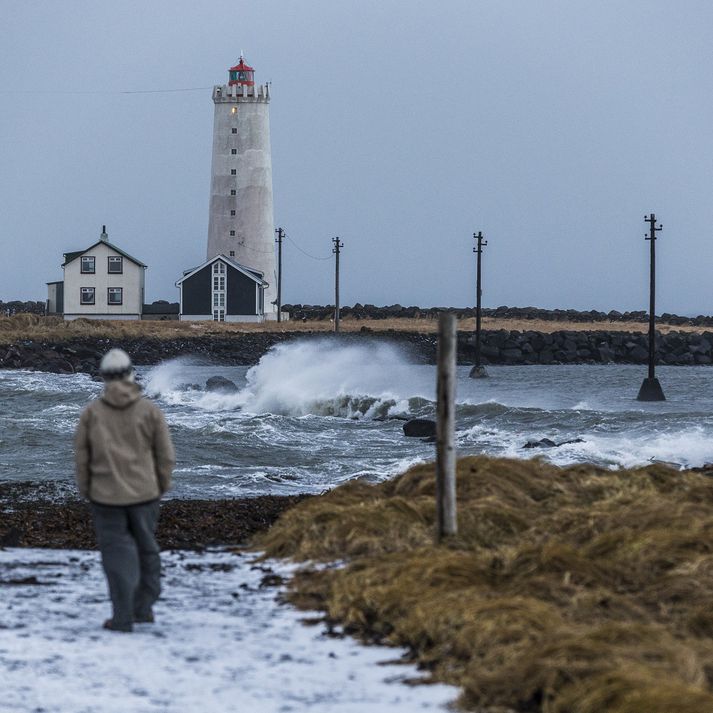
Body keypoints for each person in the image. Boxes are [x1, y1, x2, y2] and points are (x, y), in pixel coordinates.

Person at [74, 348, 175, 632]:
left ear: (104, 377)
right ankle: (143, 608)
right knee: (147, 550)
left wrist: (86, 489)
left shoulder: (92, 413)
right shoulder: (150, 410)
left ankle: (122, 616)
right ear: (131, 373)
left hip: (106, 497)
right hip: (145, 494)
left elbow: (83, 458)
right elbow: (165, 456)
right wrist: (161, 486)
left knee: (117, 555)